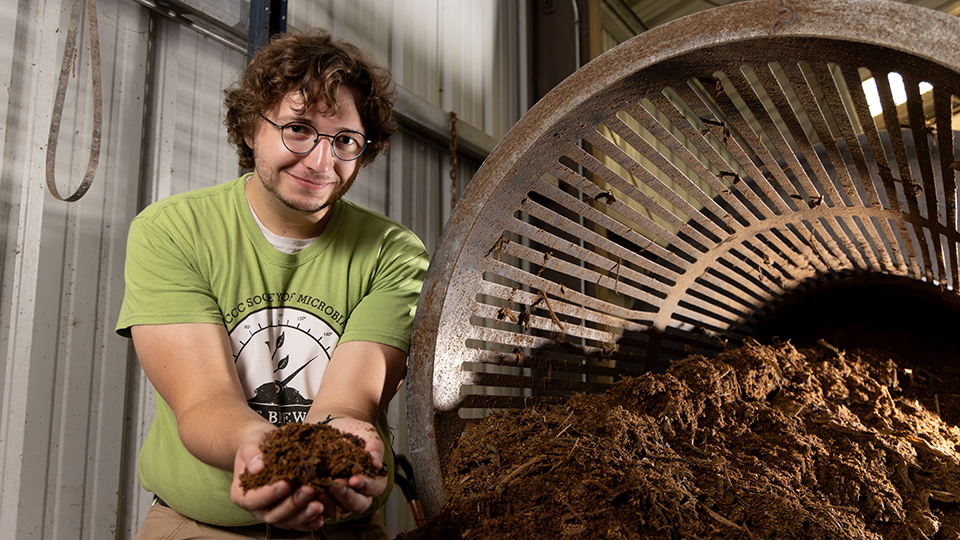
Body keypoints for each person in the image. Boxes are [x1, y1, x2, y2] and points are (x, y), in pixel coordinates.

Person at [116, 29, 429, 540]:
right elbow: (203, 401)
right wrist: (261, 451)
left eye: (345, 140)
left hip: (341, 527)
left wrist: (341, 448)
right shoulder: (174, 231)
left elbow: (349, 403)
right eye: (298, 129)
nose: (320, 162)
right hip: (199, 525)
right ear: (249, 129)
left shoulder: (392, 253)